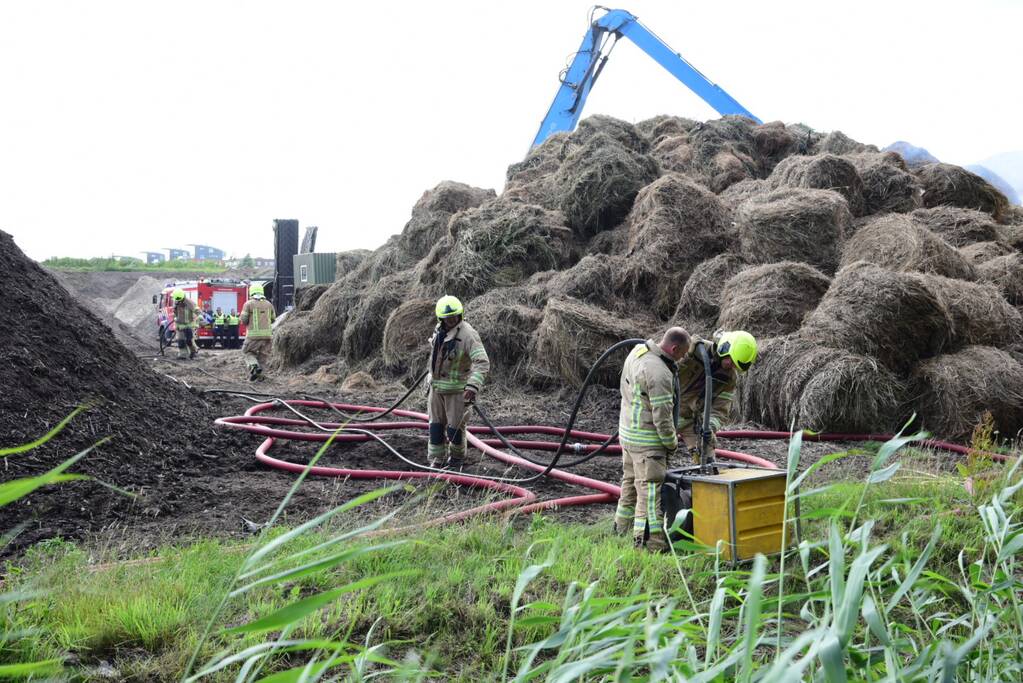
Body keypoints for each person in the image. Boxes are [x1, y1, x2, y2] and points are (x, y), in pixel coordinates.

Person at [613, 327, 691, 552]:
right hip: (648, 443)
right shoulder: (660, 373)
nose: (683, 358)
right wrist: (671, 443)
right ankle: (649, 543)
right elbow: (663, 418)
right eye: (682, 354)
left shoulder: (637, 352)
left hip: (627, 435)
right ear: (674, 348)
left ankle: (620, 529)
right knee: (649, 493)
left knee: (629, 483)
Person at [426, 295, 490, 468]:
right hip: (437, 389)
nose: (451, 319)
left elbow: (482, 362)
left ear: (460, 314)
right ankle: (436, 461)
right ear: (441, 317)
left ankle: (456, 462)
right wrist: (430, 376)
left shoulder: (468, 335)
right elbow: (435, 357)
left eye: (454, 315)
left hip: (457, 392)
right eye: (447, 317)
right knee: (436, 428)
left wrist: (473, 385)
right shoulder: (439, 331)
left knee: (455, 430)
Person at [676, 330, 758, 464]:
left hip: (689, 419)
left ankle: (703, 480)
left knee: (707, 457)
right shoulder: (694, 350)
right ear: (724, 347)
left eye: (735, 365)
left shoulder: (729, 378)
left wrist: (709, 427)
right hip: (663, 411)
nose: (730, 366)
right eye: (730, 360)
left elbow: (720, 409)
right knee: (654, 459)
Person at [239, 283, 276, 380]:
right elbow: (273, 319)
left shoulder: (248, 304)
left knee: (247, 352)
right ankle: (259, 376)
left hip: (253, 336)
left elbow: (244, 320)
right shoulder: (269, 304)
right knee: (263, 356)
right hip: (268, 336)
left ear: (251, 292)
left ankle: (254, 366)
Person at [171, 288, 198, 360]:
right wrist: (175, 318)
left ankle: (193, 351)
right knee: (180, 340)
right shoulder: (176, 303)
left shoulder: (189, 303)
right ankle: (183, 354)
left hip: (189, 324)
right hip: (180, 325)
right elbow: (175, 313)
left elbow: (197, 310)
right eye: (177, 299)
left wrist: (199, 318)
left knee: (189, 340)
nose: (178, 301)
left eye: (179, 299)